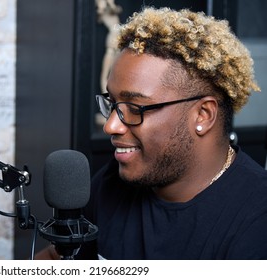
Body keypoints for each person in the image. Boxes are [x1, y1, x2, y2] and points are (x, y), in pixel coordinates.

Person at [36, 6, 267, 260]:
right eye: (112, 104)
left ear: (203, 115)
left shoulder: (255, 222)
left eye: (135, 108)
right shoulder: (113, 180)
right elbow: (58, 258)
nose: (111, 125)